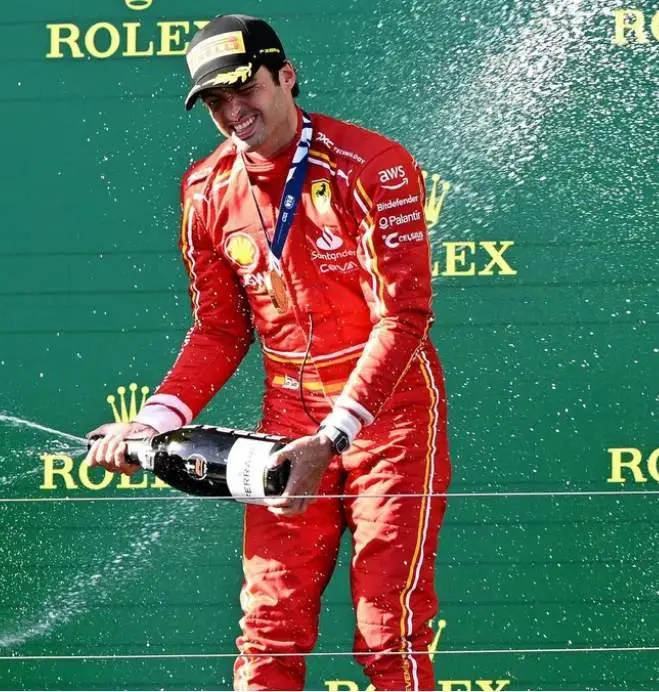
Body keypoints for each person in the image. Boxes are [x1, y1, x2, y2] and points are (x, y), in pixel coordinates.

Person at [85, 14, 451, 692]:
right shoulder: (204, 189)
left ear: (285, 76)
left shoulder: (373, 166)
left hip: (386, 417)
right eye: (215, 102)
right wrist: (151, 424)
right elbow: (219, 331)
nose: (232, 112)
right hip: (287, 416)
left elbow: (402, 319)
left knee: (386, 636)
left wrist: (334, 435)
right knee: (268, 632)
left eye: (242, 89)